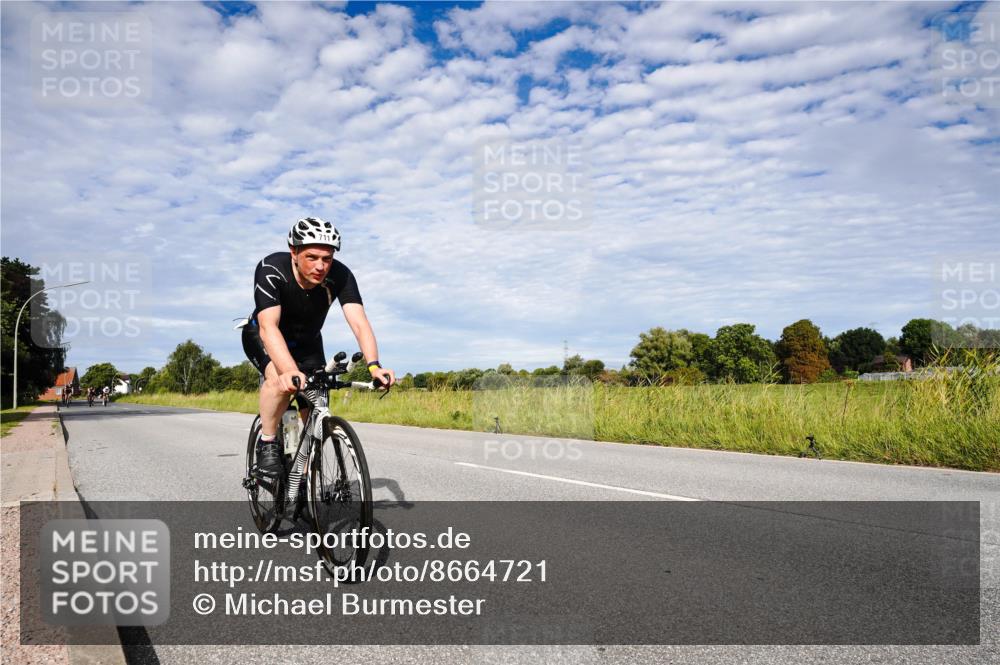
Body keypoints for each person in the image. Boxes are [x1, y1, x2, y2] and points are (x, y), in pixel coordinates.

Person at [242, 217, 395, 474]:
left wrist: (374, 366)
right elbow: (269, 326)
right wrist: (289, 370)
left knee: (313, 405)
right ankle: (267, 442)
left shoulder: (341, 275)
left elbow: (359, 322)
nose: (321, 266)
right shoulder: (271, 268)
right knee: (280, 380)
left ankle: (302, 475)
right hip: (263, 337)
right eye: (312, 257)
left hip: (309, 343)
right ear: (294, 251)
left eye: (327, 258)